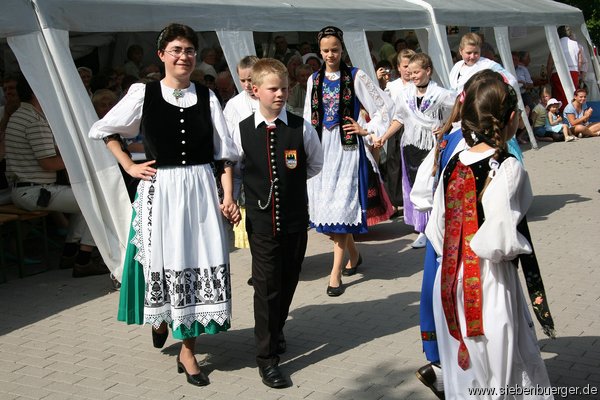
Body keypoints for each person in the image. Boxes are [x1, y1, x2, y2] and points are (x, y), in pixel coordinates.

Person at [89, 23, 240, 387]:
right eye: (176, 50)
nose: (184, 56)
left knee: (197, 260)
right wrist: (128, 164)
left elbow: (225, 154)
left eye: (189, 50)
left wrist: (229, 196)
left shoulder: (206, 96)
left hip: (201, 188)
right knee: (163, 259)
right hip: (162, 188)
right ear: (161, 55)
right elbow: (104, 129)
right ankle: (161, 316)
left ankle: (188, 348)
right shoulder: (144, 93)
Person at [425, 74, 554, 399]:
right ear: (511, 119)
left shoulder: (454, 161)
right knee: (502, 370)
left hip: (450, 280)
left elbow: (436, 227)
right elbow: (501, 241)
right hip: (489, 281)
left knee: (466, 372)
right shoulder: (508, 167)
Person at [233, 58, 323, 389]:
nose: (281, 94)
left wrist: (291, 184)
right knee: (266, 286)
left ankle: (277, 327)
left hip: (296, 219)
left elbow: (314, 164)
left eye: (284, 88)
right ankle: (267, 358)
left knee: (288, 279)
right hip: (260, 220)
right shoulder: (242, 128)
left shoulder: (301, 127)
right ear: (255, 91)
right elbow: (236, 167)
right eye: (274, 89)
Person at [305, 26, 393, 297]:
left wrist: (366, 128)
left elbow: (385, 106)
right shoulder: (314, 79)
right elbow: (309, 117)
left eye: (335, 50)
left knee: (342, 209)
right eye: (326, 50)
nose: (330, 54)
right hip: (322, 150)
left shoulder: (356, 76)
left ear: (342, 49)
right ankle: (354, 255)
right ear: (319, 51)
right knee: (327, 211)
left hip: (347, 150)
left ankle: (335, 275)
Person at [5, 74, 109, 278]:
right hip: (34, 191)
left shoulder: (22, 115)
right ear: (36, 92)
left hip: (27, 189)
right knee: (98, 200)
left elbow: (48, 155)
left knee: (86, 199)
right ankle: (83, 259)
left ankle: (71, 253)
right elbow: (49, 163)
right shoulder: (35, 120)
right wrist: (82, 158)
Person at [392, 53, 455, 248]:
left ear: (428, 71)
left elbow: (457, 108)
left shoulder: (441, 94)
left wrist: (445, 126)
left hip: (432, 146)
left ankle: (436, 227)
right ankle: (422, 230)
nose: (412, 76)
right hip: (411, 144)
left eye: (416, 72)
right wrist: (383, 137)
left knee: (431, 187)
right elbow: (399, 118)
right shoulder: (406, 95)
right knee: (415, 186)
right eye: (410, 72)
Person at [375, 49, 416, 213]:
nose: (408, 70)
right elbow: (380, 102)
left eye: (411, 65)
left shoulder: (418, 83)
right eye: (405, 66)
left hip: (414, 129)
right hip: (396, 129)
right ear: (398, 67)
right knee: (394, 164)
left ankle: (412, 200)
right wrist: (379, 83)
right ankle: (394, 201)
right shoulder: (392, 86)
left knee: (412, 165)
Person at [547, 25, 582, 112]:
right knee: (574, 94)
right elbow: (580, 62)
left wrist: (548, 75)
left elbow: (550, 63)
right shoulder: (576, 44)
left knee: (560, 95)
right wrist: (579, 73)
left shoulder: (555, 45)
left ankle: (563, 113)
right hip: (573, 71)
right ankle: (574, 113)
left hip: (558, 72)